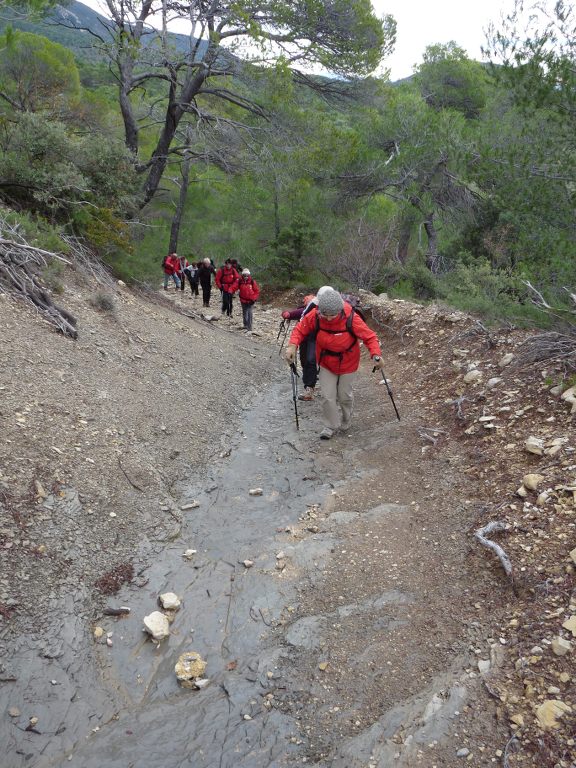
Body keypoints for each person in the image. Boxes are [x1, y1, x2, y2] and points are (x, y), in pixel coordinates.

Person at [285, 287, 385, 439]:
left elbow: (369, 337)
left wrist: (376, 355)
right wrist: (292, 346)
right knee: (328, 396)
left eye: (333, 315)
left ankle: (346, 419)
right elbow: (300, 329)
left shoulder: (351, 317)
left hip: (348, 362)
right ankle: (330, 426)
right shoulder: (316, 315)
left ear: (339, 310)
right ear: (320, 310)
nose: (329, 318)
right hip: (326, 362)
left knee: (344, 395)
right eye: (326, 314)